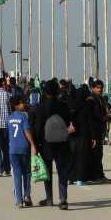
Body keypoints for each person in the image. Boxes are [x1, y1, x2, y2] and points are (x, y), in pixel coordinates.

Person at [33, 79, 72, 210]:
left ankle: (49, 198)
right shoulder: (63, 105)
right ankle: (63, 199)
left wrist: (36, 143)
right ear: (57, 90)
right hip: (61, 142)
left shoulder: (41, 106)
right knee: (62, 171)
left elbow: (38, 127)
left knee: (47, 172)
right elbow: (67, 123)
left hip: (46, 143)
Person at [8, 94, 37, 208]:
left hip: (13, 150)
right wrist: (33, 144)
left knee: (17, 174)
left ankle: (19, 200)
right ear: (16, 105)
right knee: (27, 173)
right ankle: (27, 196)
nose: (23, 104)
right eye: (20, 103)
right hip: (24, 148)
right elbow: (27, 131)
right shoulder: (23, 116)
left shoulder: (9, 117)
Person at [68, 85, 94, 186]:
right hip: (83, 134)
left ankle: (70, 178)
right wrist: (93, 137)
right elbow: (90, 121)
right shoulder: (87, 105)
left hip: (72, 134)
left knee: (72, 156)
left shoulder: (71, 104)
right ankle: (80, 178)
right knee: (82, 157)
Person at [88, 80, 111, 183]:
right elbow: (93, 117)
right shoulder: (91, 99)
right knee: (96, 154)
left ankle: (99, 175)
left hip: (100, 130)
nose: (100, 89)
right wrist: (105, 118)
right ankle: (97, 176)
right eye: (97, 87)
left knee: (99, 154)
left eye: (101, 87)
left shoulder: (101, 99)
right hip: (94, 130)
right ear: (93, 88)